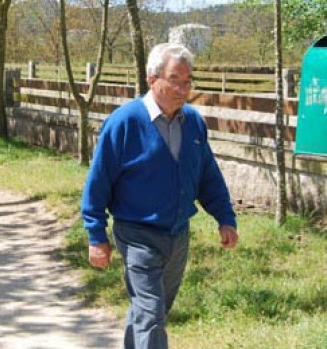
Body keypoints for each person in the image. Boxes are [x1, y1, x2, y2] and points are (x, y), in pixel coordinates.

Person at [80, 43, 239, 349]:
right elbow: (97, 183)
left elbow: (208, 176)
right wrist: (95, 235)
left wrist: (225, 219)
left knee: (151, 312)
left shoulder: (192, 122)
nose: (183, 88)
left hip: (178, 235)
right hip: (137, 235)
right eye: (175, 79)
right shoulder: (124, 122)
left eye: (188, 80)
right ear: (152, 79)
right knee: (151, 315)